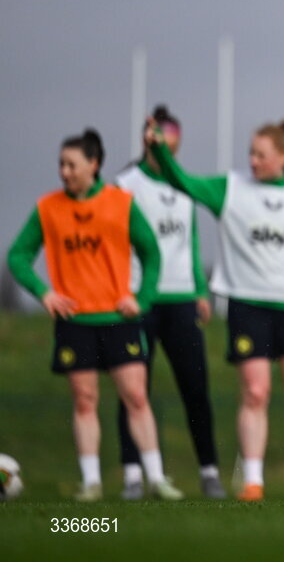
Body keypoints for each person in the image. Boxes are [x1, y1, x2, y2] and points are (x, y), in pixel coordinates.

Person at [145, 117, 284, 501]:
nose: (252, 160)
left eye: (261, 154)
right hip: (247, 306)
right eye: (250, 152)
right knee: (255, 392)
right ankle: (252, 480)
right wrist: (162, 153)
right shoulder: (230, 190)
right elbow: (183, 181)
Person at [6, 128, 184, 501]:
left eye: (72, 164)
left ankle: (156, 478)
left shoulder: (121, 203)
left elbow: (151, 252)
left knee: (136, 397)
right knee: (85, 401)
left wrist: (143, 298)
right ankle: (91, 483)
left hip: (118, 319)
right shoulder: (48, 208)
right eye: (61, 164)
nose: (64, 171)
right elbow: (18, 256)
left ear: (94, 164)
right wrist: (44, 293)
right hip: (76, 323)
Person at [115, 105, 224, 499]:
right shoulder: (125, 184)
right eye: (159, 134)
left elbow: (190, 240)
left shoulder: (183, 187)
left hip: (181, 300)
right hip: (137, 301)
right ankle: (133, 475)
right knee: (132, 391)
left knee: (196, 388)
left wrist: (200, 289)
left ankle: (209, 472)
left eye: (172, 133)